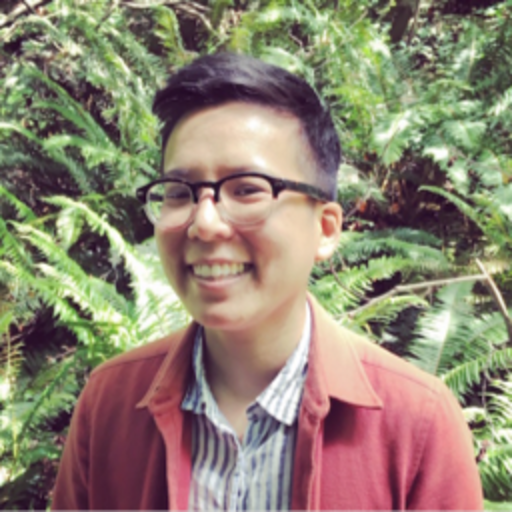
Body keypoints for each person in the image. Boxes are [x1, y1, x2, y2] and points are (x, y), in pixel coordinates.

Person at [52, 53, 483, 510]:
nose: (204, 223)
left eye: (247, 189)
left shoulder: (417, 425)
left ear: (325, 229)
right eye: (179, 193)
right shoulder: (109, 405)